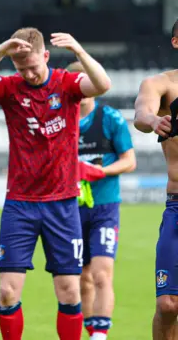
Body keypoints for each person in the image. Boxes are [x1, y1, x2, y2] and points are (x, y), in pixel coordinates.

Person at [0, 28, 111, 339]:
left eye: (34, 66)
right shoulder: (10, 88)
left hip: (62, 203)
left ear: (46, 56)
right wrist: (1, 49)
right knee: (8, 292)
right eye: (21, 68)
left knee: (69, 291)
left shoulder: (66, 83)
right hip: (19, 205)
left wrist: (79, 49)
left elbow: (103, 84)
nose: (30, 73)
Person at [67, 61, 136, 340]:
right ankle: (90, 331)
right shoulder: (61, 123)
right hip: (70, 209)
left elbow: (129, 161)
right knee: (82, 279)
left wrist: (99, 171)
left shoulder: (110, 119)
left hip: (105, 207)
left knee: (102, 274)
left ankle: (100, 336)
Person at [133, 18, 178, 340]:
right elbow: (141, 115)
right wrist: (153, 119)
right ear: (176, 42)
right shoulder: (160, 84)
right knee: (167, 304)